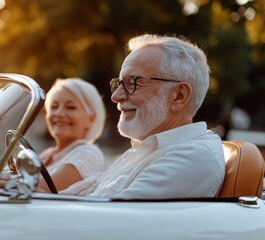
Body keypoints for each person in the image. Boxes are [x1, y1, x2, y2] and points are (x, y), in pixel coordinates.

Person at [61, 33, 226, 199]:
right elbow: (70, 198)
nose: (115, 96)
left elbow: (104, 219)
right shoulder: (147, 150)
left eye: (133, 82)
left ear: (179, 96)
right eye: (118, 84)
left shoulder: (192, 158)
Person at [36, 78, 107, 192]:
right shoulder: (47, 154)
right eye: (54, 107)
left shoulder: (88, 154)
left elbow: (34, 189)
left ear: (91, 118)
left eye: (70, 107)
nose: (59, 113)